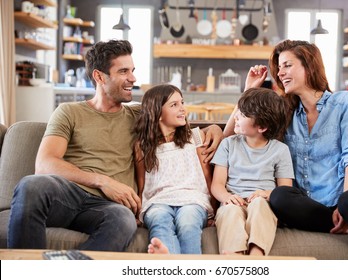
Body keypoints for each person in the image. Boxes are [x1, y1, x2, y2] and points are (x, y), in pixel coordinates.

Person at [7, 40, 223, 251]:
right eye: (123, 72)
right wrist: (103, 181)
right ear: (99, 76)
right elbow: (44, 164)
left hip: (108, 208)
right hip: (68, 195)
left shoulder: (139, 114)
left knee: (124, 220)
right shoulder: (69, 112)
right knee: (31, 186)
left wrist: (215, 128)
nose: (133, 78)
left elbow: (182, 128)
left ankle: (73, 270)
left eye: (132, 70)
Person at [225, 39, 348, 259]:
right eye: (279, 67)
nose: (280, 73)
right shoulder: (285, 112)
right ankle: (344, 224)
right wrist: (248, 91)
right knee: (280, 196)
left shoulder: (344, 102)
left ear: (309, 66)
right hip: (315, 209)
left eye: (287, 65)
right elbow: (232, 136)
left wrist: (344, 202)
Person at [134, 84, 216, 254]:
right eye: (174, 105)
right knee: (159, 220)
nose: (183, 109)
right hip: (157, 202)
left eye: (182, 103)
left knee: (188, 223)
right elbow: (142, 185)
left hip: (193, 200)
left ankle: (173, 262)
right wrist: (137, 212)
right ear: (157, 112)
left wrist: (214, 210)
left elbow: (207, 178)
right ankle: (168, 256)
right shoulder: (142, 146)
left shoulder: (195, 137)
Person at [211, 88, 294, 256]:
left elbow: (285, 191)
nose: (236, 116)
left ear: (262, 126)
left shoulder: (280, 150)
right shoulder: (228, 144)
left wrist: (265, 194)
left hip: (264, 203)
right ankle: (234, 256)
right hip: (233, 201)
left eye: (242, 115)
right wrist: (227, 197)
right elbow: (217, 185)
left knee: (259, 205)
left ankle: (256, 255)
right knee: (230, 211)